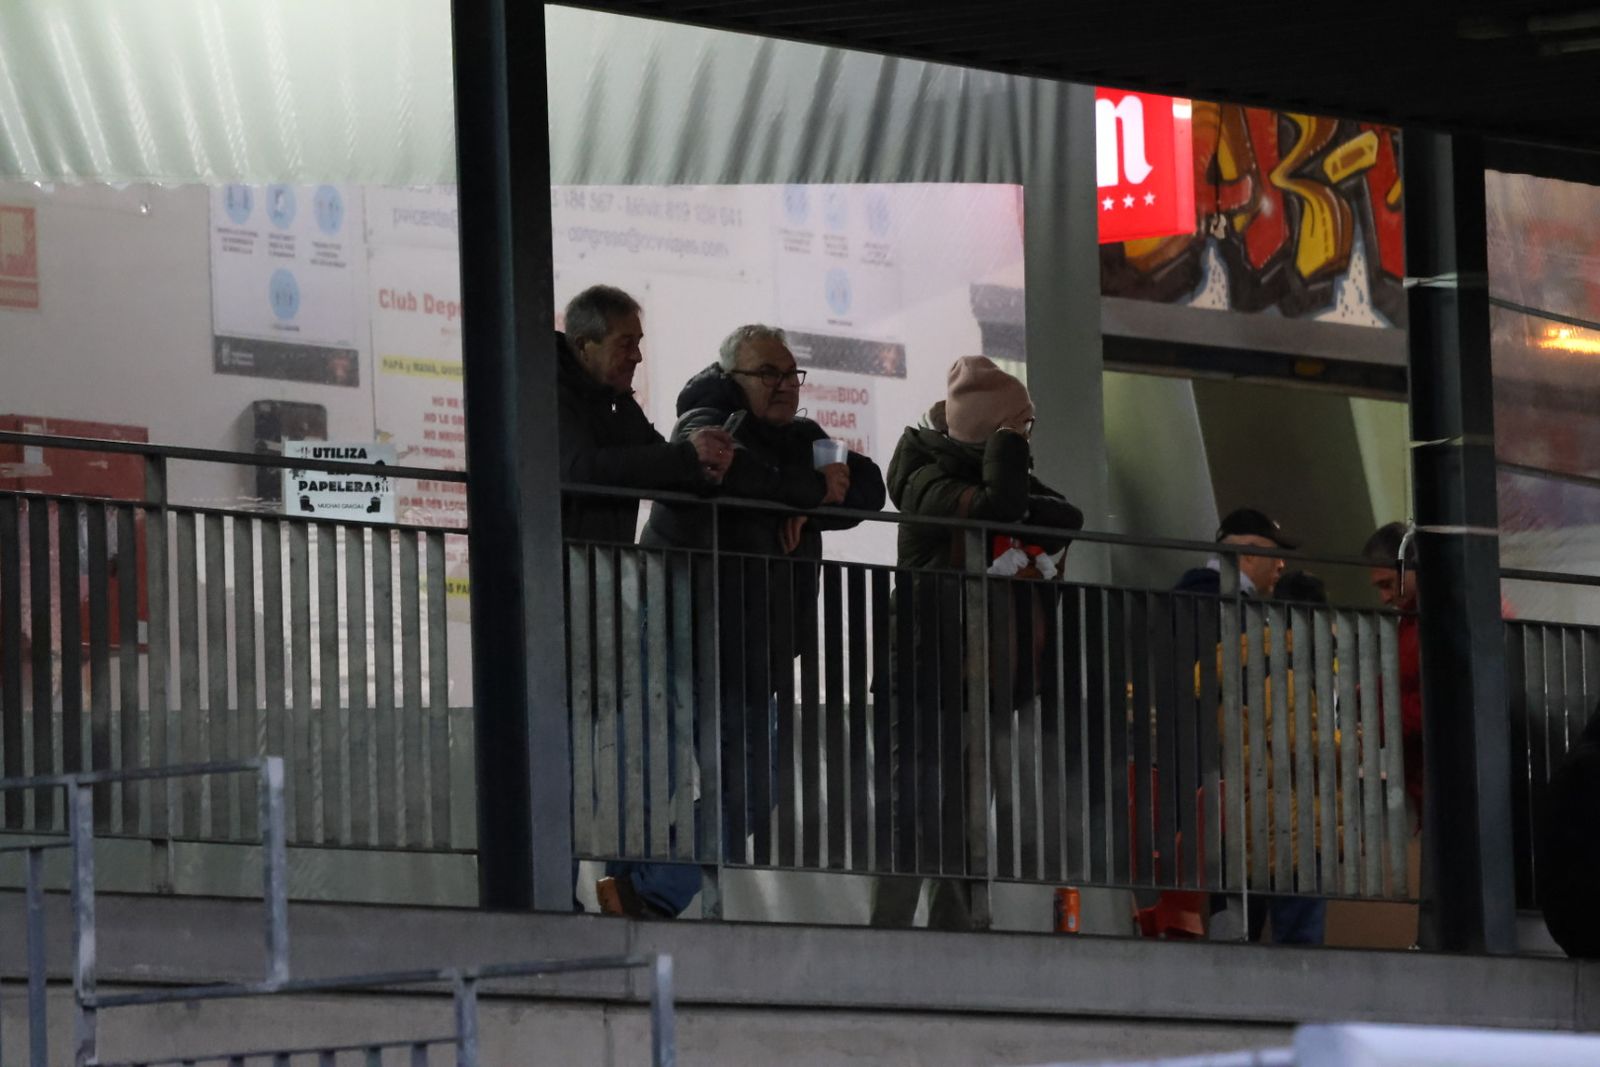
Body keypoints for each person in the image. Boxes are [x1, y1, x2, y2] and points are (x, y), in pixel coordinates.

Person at [642, 324, 886, 871]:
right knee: (738, 790)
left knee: (752, 794)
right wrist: (807, 490)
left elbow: (868, 485)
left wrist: (806, 501)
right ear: (731, 377)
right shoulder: (702, 420)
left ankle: (644, 885)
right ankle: (646, 886)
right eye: (768, 373)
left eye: (791, 374)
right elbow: (734, 474)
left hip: (764, 645)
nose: (785, 386)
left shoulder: (801, 435)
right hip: (702, 637)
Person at [871, 356, 1083, 929]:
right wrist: (1007, 448)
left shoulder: (985, 475)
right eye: (1020, 427)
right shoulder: (923, 473)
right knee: (911, 815)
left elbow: (1066, 514)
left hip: (981, 679)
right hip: (921, 676)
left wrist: (1008, 470)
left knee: (968, 818)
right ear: (993, 431)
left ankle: (956, 938)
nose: (1028, 439)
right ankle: (885, 942)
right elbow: (1002, 508)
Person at [557, 284, 734, 920]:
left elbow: (657, 461)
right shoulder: (551, 394)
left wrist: (700, 466)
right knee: (564, 760)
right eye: (627, 342)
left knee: (605, 759)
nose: (637, 356)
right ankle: (557, 899)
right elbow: (580, 466)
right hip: (560, 607)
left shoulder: (611, 399)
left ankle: (617, 894)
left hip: (601, 603)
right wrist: (684, 461)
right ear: (585, 345)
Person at [1362, 522, 1422, 815]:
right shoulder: (1411, 620)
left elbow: (1437, 700)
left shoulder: (1435, 619)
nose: (1384, 598)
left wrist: (1376, 727)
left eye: (1387, 584)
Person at [1175, 508, 1296, 599]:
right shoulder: (1224, 602)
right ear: (1250, 553)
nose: (1281, 564)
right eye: (1275, 554)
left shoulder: (1197, 591)